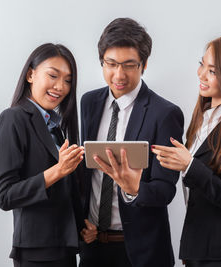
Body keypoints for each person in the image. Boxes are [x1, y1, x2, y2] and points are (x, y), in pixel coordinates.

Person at [151, 34, 221, 267]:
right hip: (197, 250)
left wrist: (190, 165)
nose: (201, 74)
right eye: (202, 64)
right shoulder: (199, 121)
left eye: (212, 71)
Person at [79, 18, 184, 267]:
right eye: (111, 64)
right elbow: (85, 174)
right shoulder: (88, 103)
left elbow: (166, 189)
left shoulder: (164, 113)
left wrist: (134, 188)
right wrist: (80, 223)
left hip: (141, 252)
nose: (119, 74)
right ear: (101, 61)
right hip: (93, 247)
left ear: (144, 65)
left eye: (129, 65)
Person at [0, 43, 87, 267]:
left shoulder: (55, 126)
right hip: (36, 254)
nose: (60, 86)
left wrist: (82, 226)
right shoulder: (12, 119)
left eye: (67, 80)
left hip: (65, 248)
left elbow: (64, 193)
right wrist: (58, 170)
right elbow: (4, 195)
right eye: (53, 75)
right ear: (30, 74)